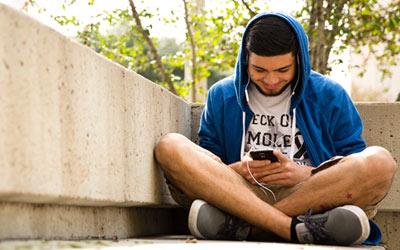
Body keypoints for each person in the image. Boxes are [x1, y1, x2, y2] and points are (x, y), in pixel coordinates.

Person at [154, 12, 397, 245]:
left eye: (283, 70)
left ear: (299, 60)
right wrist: (239, 170)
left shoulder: (330, 95)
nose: (271, 80)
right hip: (240, 194)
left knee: (380, 162)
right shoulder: (221, 95)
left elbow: (351, 160)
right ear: (245, 60)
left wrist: (304, 173)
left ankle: (246, 227)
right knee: (170, 146)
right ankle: (296, 228)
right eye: (259, 70)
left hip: (312, 194)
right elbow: (209, 165)